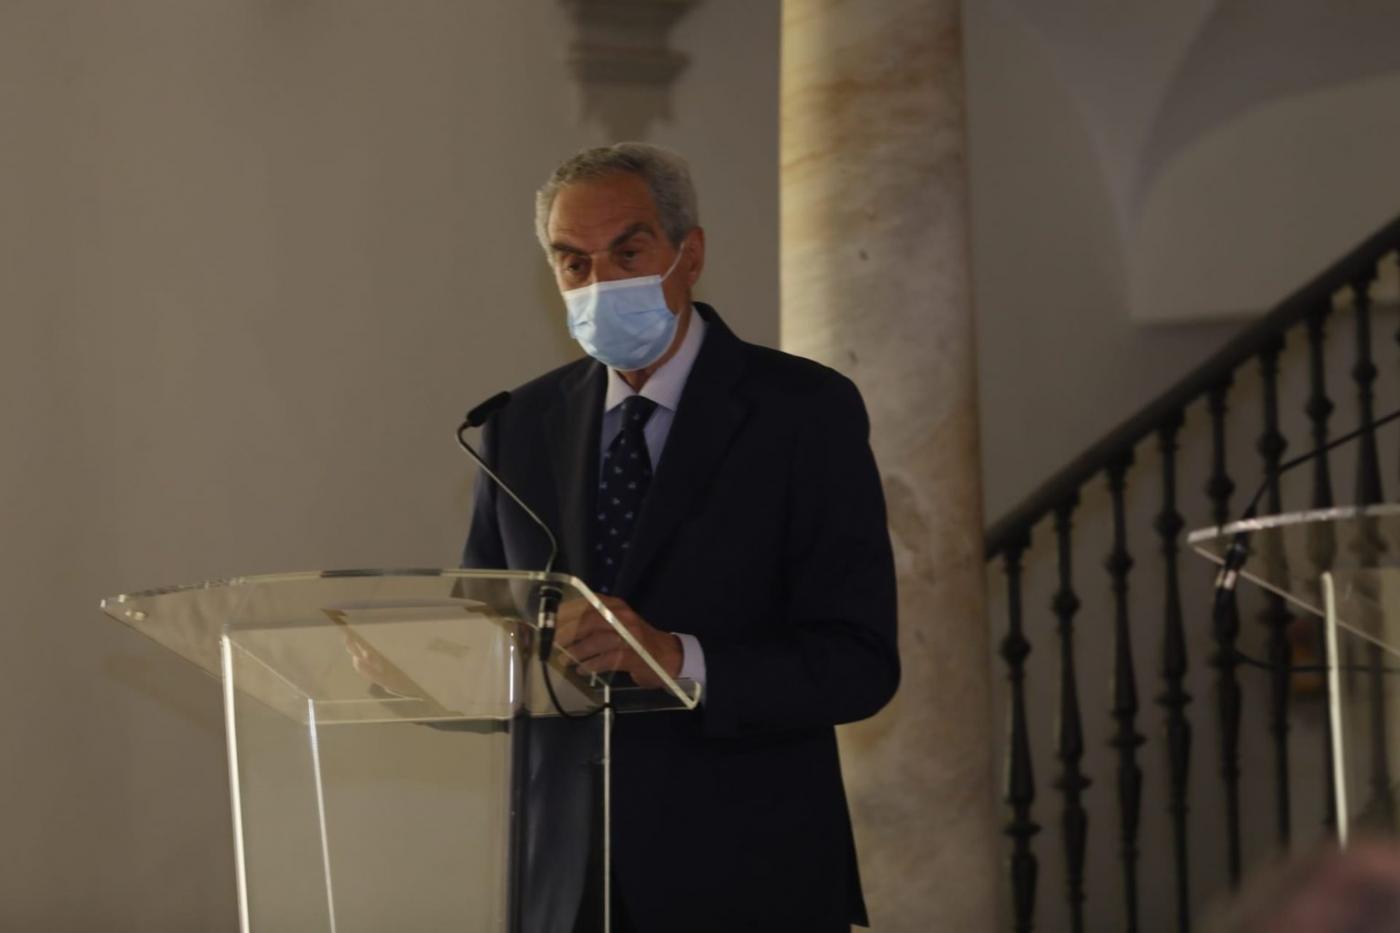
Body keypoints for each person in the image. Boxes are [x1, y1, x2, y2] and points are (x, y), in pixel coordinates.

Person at [462, 142, 899, 932]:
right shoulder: (516, 425)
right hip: (567, 886)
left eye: (627, 253)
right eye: (573, 264)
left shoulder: (802, 411)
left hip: (749, 874)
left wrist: (675, 658)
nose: (600, 285)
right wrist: (416, 657)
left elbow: (858, 664)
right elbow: (486, 622)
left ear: (688, 254)